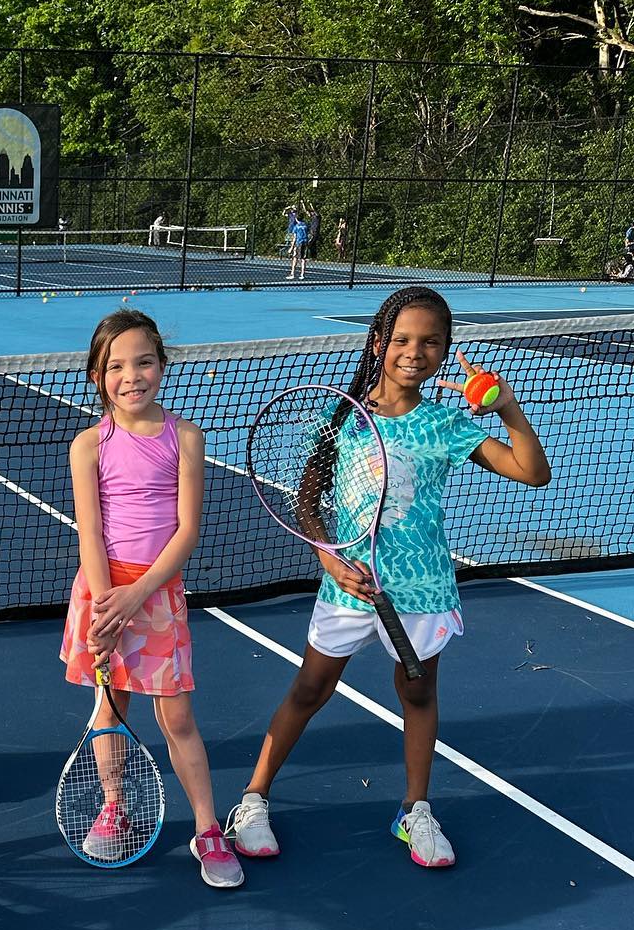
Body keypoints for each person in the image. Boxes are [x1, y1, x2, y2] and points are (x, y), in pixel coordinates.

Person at [226, 286, 552, 869]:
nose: (414, 351)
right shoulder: (344, 415)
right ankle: (253, 799)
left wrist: (507, 406)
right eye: (401, 339)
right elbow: (308, 498)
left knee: (419, 691)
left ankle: (415, 810)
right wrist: (326, 554)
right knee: (309, 689)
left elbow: (532, 473)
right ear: (378, 343)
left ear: (446, 351)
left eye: (430, 342)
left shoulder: (447, 424)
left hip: (421, 589)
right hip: (347, 585)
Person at [61, 310, 243, 888]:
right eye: (116, 366)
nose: (131, 376)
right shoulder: (88, 446)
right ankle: (113, 807)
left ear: (162, 364)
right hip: (102, 591)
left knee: (179, 718)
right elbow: (90, 531)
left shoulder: (186, 437)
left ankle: (208, 829)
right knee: (110, 710)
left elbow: (186, 531)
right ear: (97, 375)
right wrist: (103, 605)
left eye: (143, 362)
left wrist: (137, 595)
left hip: (155, 592)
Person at [287, 211, 310, 280]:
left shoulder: (296, 226)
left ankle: (292, 274)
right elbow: (308, 234)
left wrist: (291, 247)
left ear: (297, 219)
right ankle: (302, 274)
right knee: (303, 259)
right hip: (305, 242)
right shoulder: (306, 225)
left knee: (295, 258)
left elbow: (294, 237)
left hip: (299, 243)